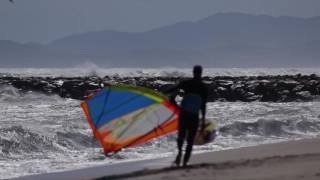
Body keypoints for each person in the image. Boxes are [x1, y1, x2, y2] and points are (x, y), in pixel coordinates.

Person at [166, 65, 208, 167]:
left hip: (184, 114)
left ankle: (180, 153)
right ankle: (185, 162)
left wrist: (161, 93)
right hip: (194, 115)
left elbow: (173, 88)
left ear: (193, 72)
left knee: (181, 136)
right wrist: (202, 121)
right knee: (190, 140)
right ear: (201, 73)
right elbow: (203, 105)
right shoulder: (203, 87)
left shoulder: (187, 83)